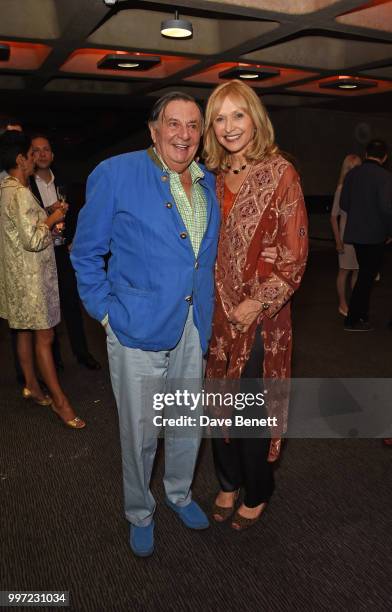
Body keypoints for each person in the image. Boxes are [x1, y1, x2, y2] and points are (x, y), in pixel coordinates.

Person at [71, 92, 221, 557]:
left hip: (192, 323)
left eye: (193, 125)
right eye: (173, 124)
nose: (184, 134)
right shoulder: (116, 173)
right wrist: (107, 314)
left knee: (185, 422)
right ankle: (140, 509)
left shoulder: (207, 182)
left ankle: (178, 493)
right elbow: (85, 252)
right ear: (153, 129)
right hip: (136, 327)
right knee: (139, 430)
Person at [203, 80, 308, 530]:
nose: (229, 127)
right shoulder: (205, 176)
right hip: (212, 314)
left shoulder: (281, 173)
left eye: (237, 115)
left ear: (255, 118)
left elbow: (294, 255)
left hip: (260, 317)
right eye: (219, 118)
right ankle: (227, 482)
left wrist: (255, 304)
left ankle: (258, 488)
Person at [0, 131, 85, 429]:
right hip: (32, 277)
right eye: (31, 154)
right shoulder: (21, 193)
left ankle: (32, 386)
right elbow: (35, 239)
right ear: (21, 159)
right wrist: (55, 215)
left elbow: (20, 226)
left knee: (23, 332)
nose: (35, 158)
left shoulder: (4, 186)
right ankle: (61, 403)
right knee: (45, 337)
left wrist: (44, 215)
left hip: (16, 276)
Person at [30, 135, 101, 370]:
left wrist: (74, 240)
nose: (42, 154)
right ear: (30, 155)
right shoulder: (27, 186)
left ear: (52, 154)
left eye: (46, 150)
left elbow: (80, 214)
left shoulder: (63, 182)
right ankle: (55, 360)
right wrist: (48, 212)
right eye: (36, 150)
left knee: (72, 303)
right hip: (40, 252)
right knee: (48, 308)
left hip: (63, 251)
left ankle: (82, 354)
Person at [341, 140, 392, 331]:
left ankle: (360, 315)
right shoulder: (386, 177)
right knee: (366, 277)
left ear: (365, 153)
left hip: (356, 233)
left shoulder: (352, 174)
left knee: (365, 274)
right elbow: (387, 209)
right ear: (385, 157)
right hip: (375, 234)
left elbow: (345, 204)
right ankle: (353, 318)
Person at [330, 154, 361, 316]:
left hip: (360, 236)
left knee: (357, 271)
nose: (353, 171)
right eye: (350, 168)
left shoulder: (363, 189)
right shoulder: (341, 189)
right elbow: (334, 217)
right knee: (344, 270)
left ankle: (355, 303)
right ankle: (342, 303)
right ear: (345, 170)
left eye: (356, 167)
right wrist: (338, 241)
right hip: (346, 238)